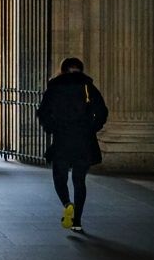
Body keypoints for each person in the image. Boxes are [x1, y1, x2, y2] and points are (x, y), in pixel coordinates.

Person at [36, 57, 109, 232]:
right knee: (79, 180)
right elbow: (102, 111)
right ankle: (77, 221)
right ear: (80, 70)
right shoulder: (87, 87)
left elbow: (43, 112)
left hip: (62, 138)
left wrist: (51, 128)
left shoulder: (54, 87)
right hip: (83, 139)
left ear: (63, 69)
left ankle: (67, 203)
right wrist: (92, 128)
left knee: (59, 177)